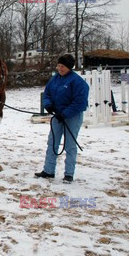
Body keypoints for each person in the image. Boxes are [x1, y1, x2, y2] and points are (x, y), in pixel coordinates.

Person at [35, 54, 89, 184]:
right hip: (57, 115)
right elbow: (47, 93)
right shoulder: (55, 79)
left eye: (63, 66)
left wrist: (65, 114)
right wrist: (48, 104)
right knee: (52, 142)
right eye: (58, 66)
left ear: (69, 67)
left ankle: (69, 174)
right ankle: (48, 170)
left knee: (70, 145)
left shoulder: (78, 82)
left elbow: (80, 102)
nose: (60, 68)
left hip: (72, 116)